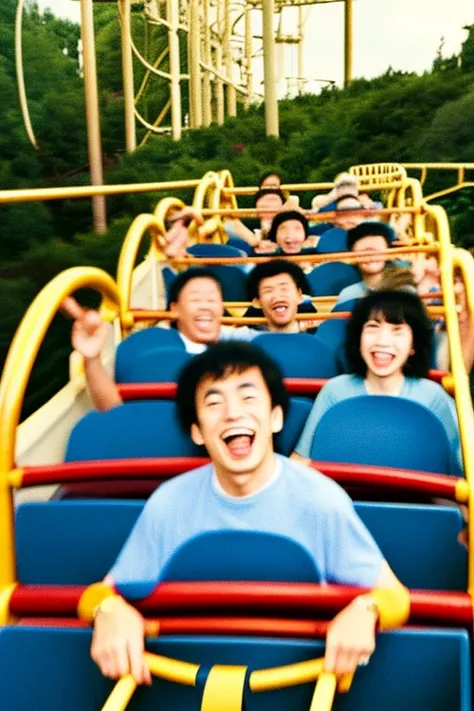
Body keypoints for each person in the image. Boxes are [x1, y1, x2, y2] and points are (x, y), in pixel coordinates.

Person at [84, 341, 410, 684]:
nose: (232, 413)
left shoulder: (321, 500)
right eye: (213, 402)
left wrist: (365, 610)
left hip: (305, 685)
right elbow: (103, 591)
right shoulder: (168, 503)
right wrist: (108, 611)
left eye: (248, 397)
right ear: (197, 431)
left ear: (275, 417)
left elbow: (393, 596)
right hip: (188, 683)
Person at [292, 290, 462, 475]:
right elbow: (301, 461)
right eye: (373, 327)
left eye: (397, 331)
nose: (383, 342)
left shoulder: (433, 397)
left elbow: (459, 471)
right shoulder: (335, 391)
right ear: (359, 338)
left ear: (413, 345)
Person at [245, 260, 317, 333]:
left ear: (299, 295)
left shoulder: (322, 337)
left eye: (284, 289)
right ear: (256, 302)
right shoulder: (243, 340)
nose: (277, 296)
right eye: (268, 290)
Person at [335, 221, 396, 305]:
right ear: (353, 255)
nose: (371, 257)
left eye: (376, 251)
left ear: (388, 253)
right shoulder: (348, 295)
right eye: (364, 252)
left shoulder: (405, 290)